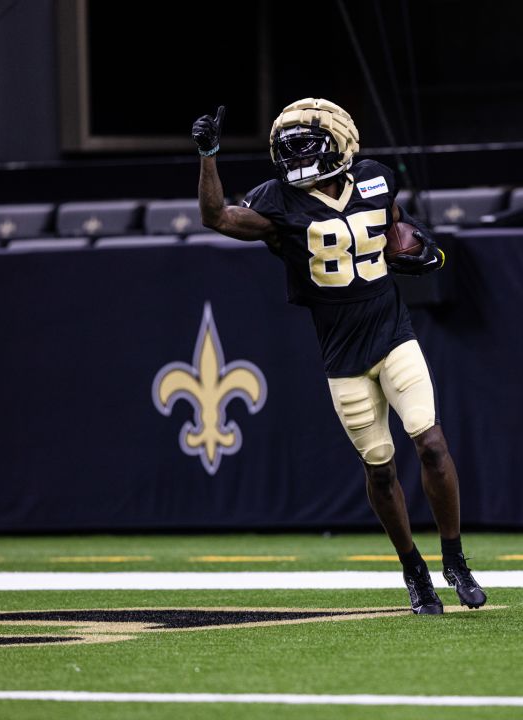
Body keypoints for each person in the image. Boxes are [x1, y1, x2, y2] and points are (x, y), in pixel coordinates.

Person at [191, 98, 485, 615]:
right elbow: (215, 215)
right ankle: (414, 571)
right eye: (290, 152)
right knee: (379, 470)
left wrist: (411, 246)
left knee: (432, 443)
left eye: (307, 150)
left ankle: (455, 559)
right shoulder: (278, 201)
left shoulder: (373, 179)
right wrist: (209, 154)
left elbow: (397, 226)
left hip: (394, 335)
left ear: (340, 146)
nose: (298, 161)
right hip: (344, 357)